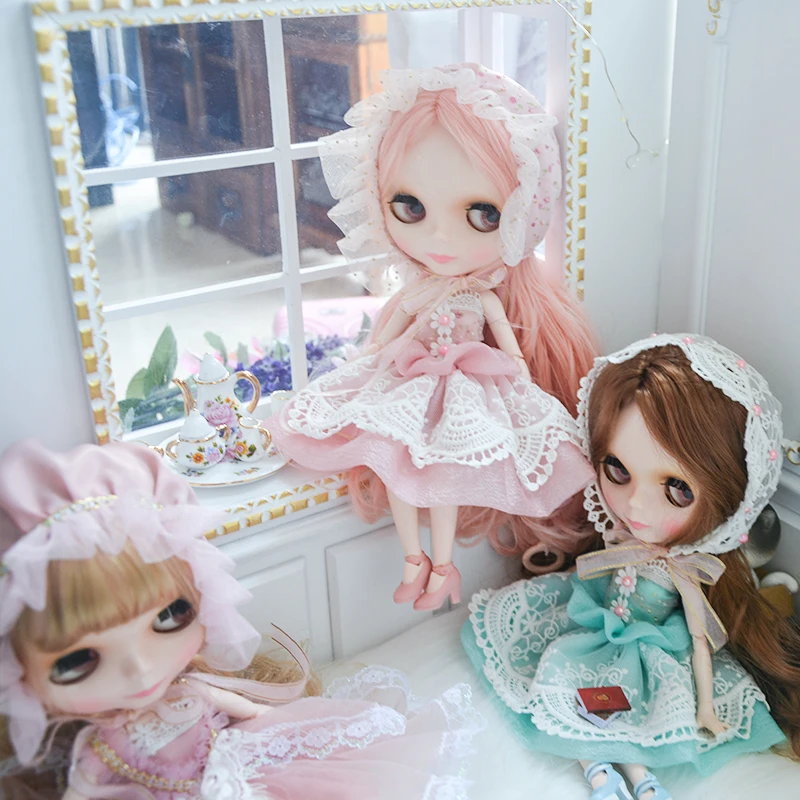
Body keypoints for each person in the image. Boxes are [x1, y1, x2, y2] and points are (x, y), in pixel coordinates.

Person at [271, 64, 599, 610]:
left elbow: (508, 345)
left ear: (522, 215)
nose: (441, 237)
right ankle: (414, 560)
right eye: (411, 208)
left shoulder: (483, 297)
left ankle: (442, 566)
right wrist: (370, 363)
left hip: (468, 387)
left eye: (483, 214)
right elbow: (385, 340)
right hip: (413, 378)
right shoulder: (420, 292)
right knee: (401, 469)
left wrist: (521, 375)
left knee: (441, 473)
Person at [0, 440, 484, 799]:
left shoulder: (191, 691)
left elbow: (256, 715)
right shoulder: (98, 750)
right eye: (77, 661)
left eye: (171, 616)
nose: (142, 671)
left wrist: (290, 730)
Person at [462, 334, 800, 799]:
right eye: (618, 471)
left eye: (678, 489)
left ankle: (641, 781)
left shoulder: (688, 572)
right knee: (566, 688)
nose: (635, 504)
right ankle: (601, 774)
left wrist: (704, 706)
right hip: (594, 626)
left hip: (652, 649)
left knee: (631, 716)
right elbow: (593, 568)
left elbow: (701, 643)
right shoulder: (621, 540)